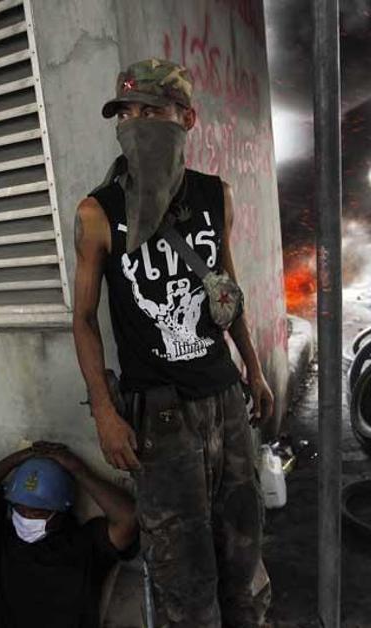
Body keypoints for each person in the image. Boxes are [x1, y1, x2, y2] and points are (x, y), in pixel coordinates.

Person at [72, 58, 276, 627]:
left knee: (242, 546)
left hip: (225, 400)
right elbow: (83, 319)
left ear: (185, 119)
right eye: (126, 114)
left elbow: (227, 291)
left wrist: (254, 368)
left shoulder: (216, 196)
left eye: (152, 112)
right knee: (181, 569)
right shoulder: (98, 213)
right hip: (159, 416)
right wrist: (105, 413)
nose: (136, 124)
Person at [0, 442, 138, 628]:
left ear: (60, 512)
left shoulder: (85, 544)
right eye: (19, 509)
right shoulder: (1, 538)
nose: (26, 517)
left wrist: (78, 470)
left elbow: (128, 519)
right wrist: (12, 461)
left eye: (37, 513)